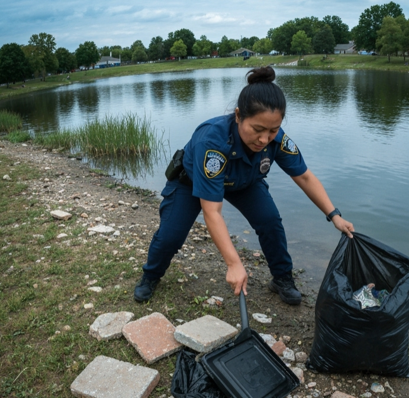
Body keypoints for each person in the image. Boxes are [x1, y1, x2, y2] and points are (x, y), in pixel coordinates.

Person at [134, 66, 354, 305]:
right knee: (171, 236)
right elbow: (212, 211)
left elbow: (304, 177)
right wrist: (233, 263)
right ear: (238, 115)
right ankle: (151, 276)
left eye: (273, 130)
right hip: (191, 183)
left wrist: (334, 215)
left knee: (270, 221)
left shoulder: (278, 140)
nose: (264, 139)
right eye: (257, 130)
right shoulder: (213, 142)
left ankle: (282, 278)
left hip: (243, 181)